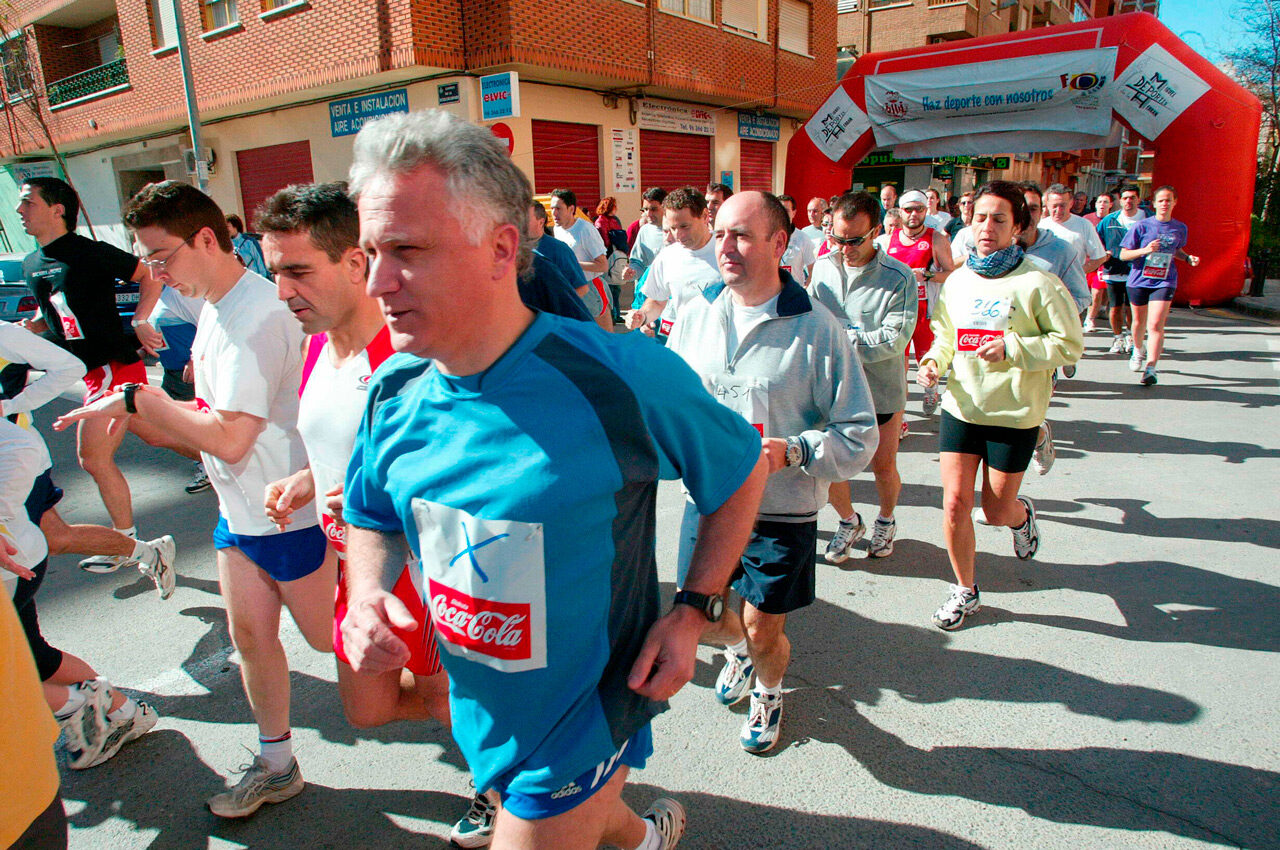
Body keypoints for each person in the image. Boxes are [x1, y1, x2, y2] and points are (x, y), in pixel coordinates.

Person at [340, 108, 770, 850]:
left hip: (590, 708)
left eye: (406, 249)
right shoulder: (394, 390)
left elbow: (738, 471)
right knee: (598, 827)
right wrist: (370, 593)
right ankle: (644, 837)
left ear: (502, 248)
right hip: (481, 706)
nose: (376, 281)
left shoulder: (618, 376)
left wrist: (694, 610)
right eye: (370, 250)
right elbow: (371, 515)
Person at [56, 181, 336, 818]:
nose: (154, 273)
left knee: (339, 648)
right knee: (251, 641)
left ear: (207, 239)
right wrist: (137, 410)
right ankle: (276, 763)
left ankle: (483, 733)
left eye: (161, 257)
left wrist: (139, 401)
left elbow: (233, 439)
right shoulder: (214, 304)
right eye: (148, 260)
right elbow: (215, 417)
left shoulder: (259, 314)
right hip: (239, 515)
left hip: (290, 513)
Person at [667, 190, 875, 755]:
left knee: (764, 629)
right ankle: (735, 653)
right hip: (709, 501)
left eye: (741, 235)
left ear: (779, 243)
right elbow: (674, 404)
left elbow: (859, 432)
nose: (725, 248)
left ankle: (770, 688)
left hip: (781, 508)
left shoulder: (819, 329)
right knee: (708, 619)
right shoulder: (695, 314)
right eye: (721, 234)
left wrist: (796, 452)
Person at [1, 322, 170, 772]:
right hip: (16, 531)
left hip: (16, 477)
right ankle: (119, 710)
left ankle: (144, 550)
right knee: (30, 651)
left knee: (52, 535)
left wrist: (11, 406)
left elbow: (65, 366)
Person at [916, 181, 1083, 630]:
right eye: (980, 217)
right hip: (963, 406)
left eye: (999, 219)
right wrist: (933, 362)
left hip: (1014, 412)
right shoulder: (959, 280)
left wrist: (1013, 348)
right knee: (953, 504)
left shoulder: (1038, 283)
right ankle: (965, 590)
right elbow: (947, 336)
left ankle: (1021, 515)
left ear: (1017, 228)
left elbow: (1069, 345)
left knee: (994, 512)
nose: (986, 227)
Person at [16, 176, 178, 573]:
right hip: (88, 371)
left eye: (28, 203)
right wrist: (32, 328)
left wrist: (141, 319)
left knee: (92, 456)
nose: (20, 211)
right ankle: (228, 455)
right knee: (163, 432)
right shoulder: (31, 264)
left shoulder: (88, 252)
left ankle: (127, 543)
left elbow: (149, 276)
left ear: (58, 210)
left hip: (113, 366)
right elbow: (55, 312)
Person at [809, 192, 916, 563]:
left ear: (877, 232)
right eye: (836, 238)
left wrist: (846, 340)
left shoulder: (899, 277)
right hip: (832, 388)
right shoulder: (822, 266)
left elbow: (896, 337)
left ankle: (886, 520)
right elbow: (809, 318)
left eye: (854, 240)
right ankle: (848, 520)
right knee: (831, 464)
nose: (843, 248)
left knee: (883, 466)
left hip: (880, 390)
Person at [1119, 185, 1199, 386]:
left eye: (1168, 200)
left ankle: (1151, 367)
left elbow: (1177, 250)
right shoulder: (1142, 226)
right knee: (1138, 322)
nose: (1165, 204)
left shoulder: (1180, 228)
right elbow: (1124, 254)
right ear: (1154, 204)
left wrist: (1188, 258)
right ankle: (1137, 350)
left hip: (1165, 279)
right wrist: (1145, 250)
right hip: (1139, 279)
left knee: (1155, 324)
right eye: (1161, 200)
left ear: (1175, 202)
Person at [886, 189, 954, 421]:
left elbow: (950, 274)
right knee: (898, 369)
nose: (913, 214)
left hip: (925, 313)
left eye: (919, 209)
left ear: (926, 210)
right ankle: (900, 419)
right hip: (897, 312)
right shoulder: (889, 239)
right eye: (908, 209)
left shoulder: (936, 239)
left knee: (927, 361)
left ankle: (931, 390)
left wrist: (926, 275)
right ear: (900, 211)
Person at [626, 187, 721, 339]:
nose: (679, 235)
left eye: (685, 226)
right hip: (683, 346)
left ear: (704, 216)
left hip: (722, 349)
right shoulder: (667, 256)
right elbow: (657, 301)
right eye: (673, 228)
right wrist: (642, 316)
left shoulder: (727, 251)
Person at [550, 189, 613, 331]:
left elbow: (603, 265)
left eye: (558, 209)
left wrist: (572, 264)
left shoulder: (585, 229)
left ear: (571, 209)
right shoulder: (557, 229)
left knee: (606, 339)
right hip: (571, 289)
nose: (554, 214)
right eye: (552, 208)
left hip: (591, 288)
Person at [1096, 185, 1146, 355]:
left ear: (1138, 199)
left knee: (1133, 307)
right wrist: (1102, 253)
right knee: (1115, 307)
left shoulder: (1147, 219)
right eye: (1125, 198)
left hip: (1138, 271)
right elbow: (1096, 240)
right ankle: (1118, 338)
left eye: (1132, 197)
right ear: (1120, 200)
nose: (1128, 201)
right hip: (1114, 269)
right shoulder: (1109, 220)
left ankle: (1132, 337)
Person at [1081, 193, 1114, 333]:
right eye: (1100, 201)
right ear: (1095, 204)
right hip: (1085, 261)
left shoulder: (1113, 220)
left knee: (1097, 292)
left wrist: (1110, 252)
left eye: (1105, 202)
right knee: (1084, 292)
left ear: (1110, 205)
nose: (1102, 204)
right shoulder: (1086, 219)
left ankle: (1090, 318)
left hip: (1102, 261)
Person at [777, 194, 817, 286]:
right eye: (779, 210)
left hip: (794, 294)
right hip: (772, 295)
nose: (782, 214)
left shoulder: (803, 238)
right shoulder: (768, 237)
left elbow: (812, 269)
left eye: (786, 211)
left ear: (794, 213)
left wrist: (807, 289)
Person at [227, 214, 272, 279]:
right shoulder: (227, 245)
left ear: (235, 226)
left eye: (227, 226)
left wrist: (263, 280)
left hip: (255, 281)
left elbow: (260, 262)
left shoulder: (249, 242)